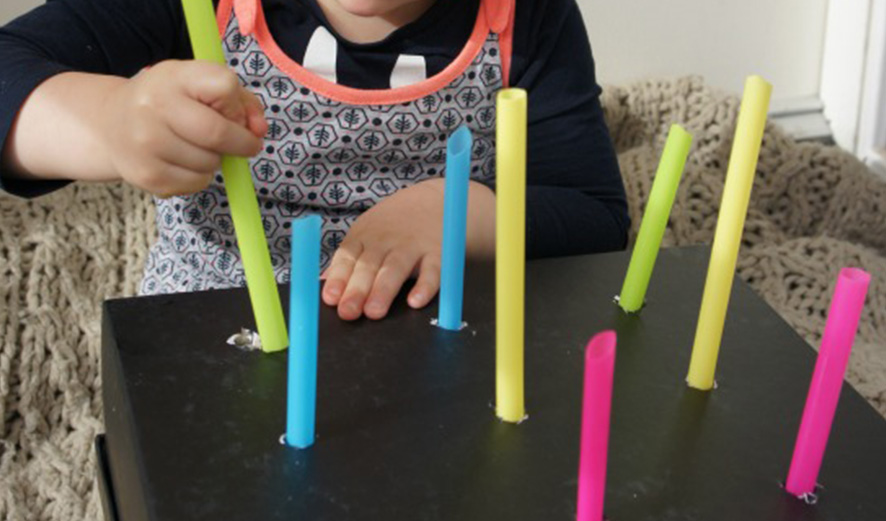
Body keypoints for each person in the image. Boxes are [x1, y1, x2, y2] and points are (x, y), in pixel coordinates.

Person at [0, 0, 629, 321]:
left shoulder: (530, 16)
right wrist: (110, 122)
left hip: (428, 341)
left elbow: (594, 214)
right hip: (215, 332)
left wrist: (459, 213)